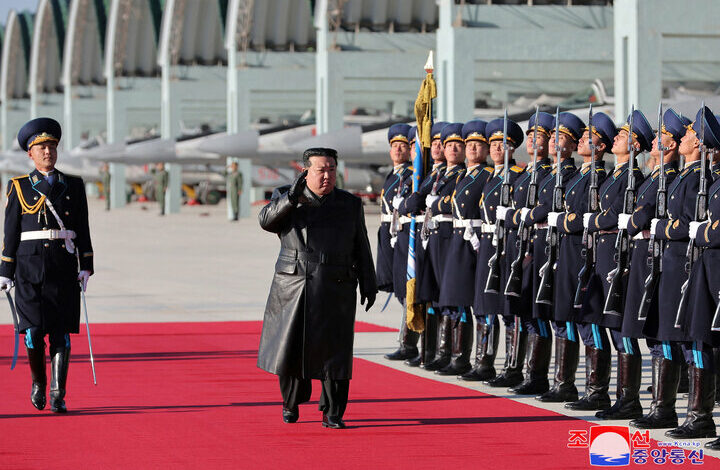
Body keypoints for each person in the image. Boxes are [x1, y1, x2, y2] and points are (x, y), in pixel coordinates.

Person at [257, 147, 377, 429]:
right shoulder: (286, 197)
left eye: (332, 170)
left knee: (335, 354)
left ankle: (333, 412)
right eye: (321, 170)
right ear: (305, 172)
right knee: (290, 349)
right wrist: (291, 199)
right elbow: (266, 221)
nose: (327, 176)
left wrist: (369, 283)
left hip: (336, 283)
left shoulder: (349, 203)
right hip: (294, 284)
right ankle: (290, 404)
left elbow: (361, 245)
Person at [0, 117, 94, 413]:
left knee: (61, 331)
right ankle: (38, 382)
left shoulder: (74, 186)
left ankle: (58, 392)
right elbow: (10, 231)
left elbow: (82, 227)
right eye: (41, 147)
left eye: (51, 146)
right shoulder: (18, 186)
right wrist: (5, 271)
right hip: (27, 270)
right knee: (32, 331)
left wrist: (86, 263)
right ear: (30, 153)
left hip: (62, 266)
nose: (47, 152)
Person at [569, 110, 649, 413]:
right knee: (594, 323)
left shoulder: (633, 177)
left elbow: (616, 214)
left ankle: (628, 399)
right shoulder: (615, 176)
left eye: (622, 136)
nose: (616, 138)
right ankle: (597, 390)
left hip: (617, 257)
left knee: (619, 331)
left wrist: (597, 220)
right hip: (600, 255)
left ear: (635, 146)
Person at [646, 107, 718, 439]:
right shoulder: (686, 179)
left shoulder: (704, 180)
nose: (685, 137)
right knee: (687, 340)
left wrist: (671, 228)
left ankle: (699, 414)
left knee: (700, 343)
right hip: (687, 266)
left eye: (691, 135)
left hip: (698, 268)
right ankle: (681, 411)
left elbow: (698, 226)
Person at [540, 112, 605, 403]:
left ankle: (596, 390)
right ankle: (563, 383)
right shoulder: (580, 175)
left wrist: (564, 221)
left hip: (583, 252)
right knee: (564, 317)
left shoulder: (597, 177)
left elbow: (585, 217)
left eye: (585, 137)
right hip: (566, 251)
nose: (580, 141)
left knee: (589, 322)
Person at [473, 117, 525, 384]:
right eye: (492, 143)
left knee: (509, 309)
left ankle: (513, 367)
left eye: (502, 144)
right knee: (487, 304)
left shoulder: (518, 176)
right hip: (488, 244)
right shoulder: (491, 176)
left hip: (508, 245)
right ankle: (485, 361)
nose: (495, 149)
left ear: (512, 148)